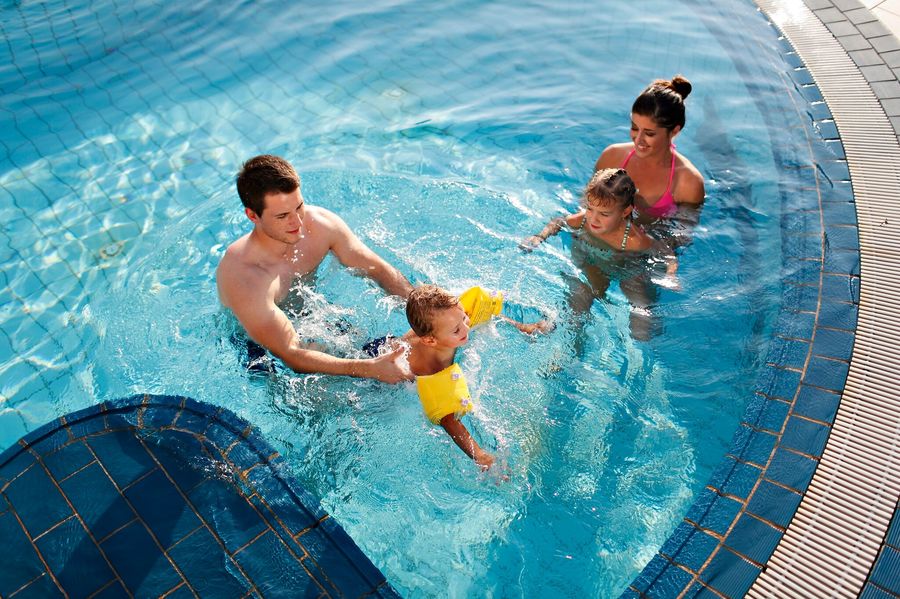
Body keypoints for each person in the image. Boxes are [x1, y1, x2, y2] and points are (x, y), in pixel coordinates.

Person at [216, 154, 414, 383]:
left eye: (299, 206)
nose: (298, 222)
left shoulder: (319, 224)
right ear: (253, 216)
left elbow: (377, 270)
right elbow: (292, 354)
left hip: (308, 318)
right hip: (259, 346)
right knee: (306, 395)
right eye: (283, 216)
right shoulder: (246, 277)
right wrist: (368, 368)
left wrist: (424, 308)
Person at [386, 285, 550, 470]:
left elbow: (481, 313)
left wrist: (523, 327)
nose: (466, 327)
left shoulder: (450, 320)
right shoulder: (433, 368)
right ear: (431, 340)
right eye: (457, 330)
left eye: (464, 317)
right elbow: (449, 421)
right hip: (383, 360)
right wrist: (480, 456)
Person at [522, 168, 670, 341]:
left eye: (604, 214)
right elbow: (559, 221)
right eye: (590, 208)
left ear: (625, 212)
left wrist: (670, 273)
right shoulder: (582, 220)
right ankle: (552, 327)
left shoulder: (633, 239)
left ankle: (642, 345)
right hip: (592, 264)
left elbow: (662, 251)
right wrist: (540, 236)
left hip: (625, 268)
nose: (593, 218)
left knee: (641, 320)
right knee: (580, 300)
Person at [595, 75, 704, 224]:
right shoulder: (612, 157)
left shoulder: (688, 182)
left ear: (674, 131)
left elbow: (682, 233)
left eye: (649, 133)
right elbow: (587, 207)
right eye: (634, 128)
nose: (638, 140)